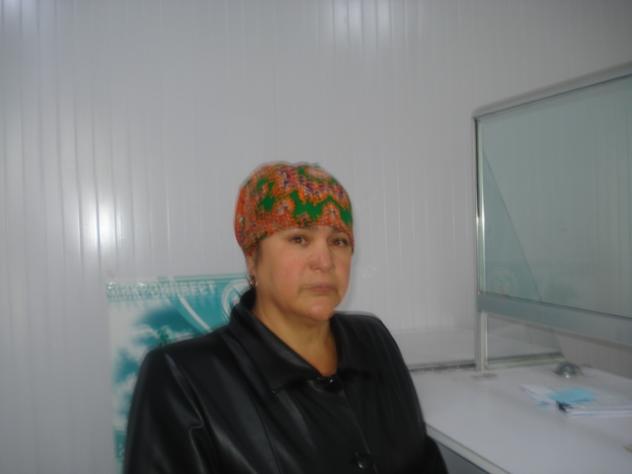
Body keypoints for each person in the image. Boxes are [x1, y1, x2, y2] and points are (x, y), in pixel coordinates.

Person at [124, 162, 446, 473]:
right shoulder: (182, 378)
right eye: (299, 239)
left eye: (338, 241)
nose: (325, 261)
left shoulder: (373, 339)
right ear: (252, 258)